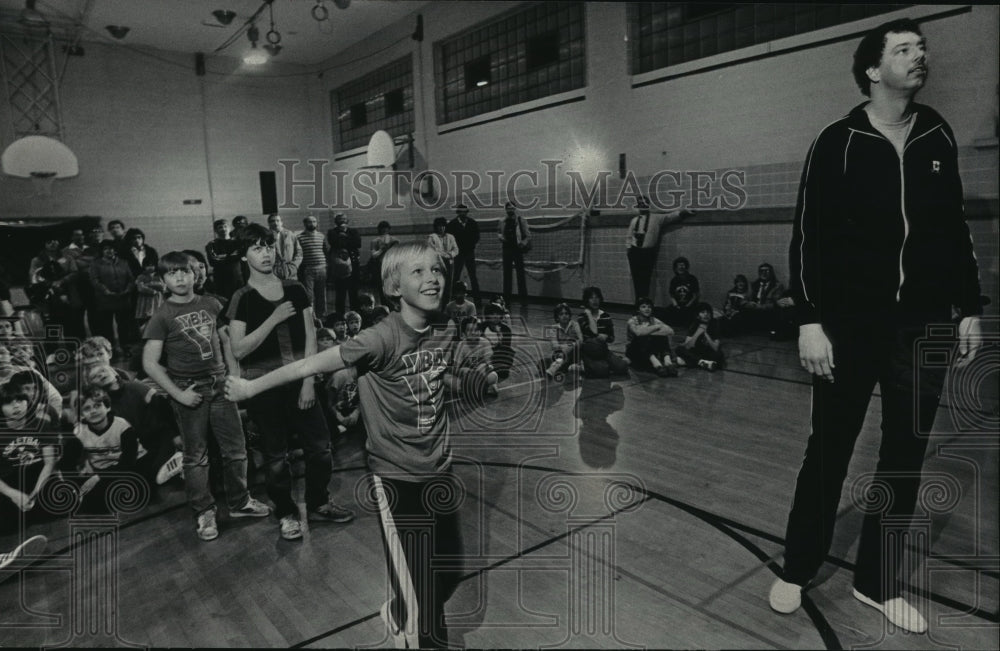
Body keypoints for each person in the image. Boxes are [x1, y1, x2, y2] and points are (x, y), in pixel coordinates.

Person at [768, 18, 983, 635]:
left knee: (903, 457)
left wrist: (969, 305)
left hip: (921, 327)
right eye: (904, 49)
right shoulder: (836, 141)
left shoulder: (937, 134)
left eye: (922, 48)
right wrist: (809, 319)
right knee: (828, 452)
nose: (920, 57)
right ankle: (799, 565)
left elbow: (954, 227)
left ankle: (876, 583)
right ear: (871, 68)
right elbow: (806, 237)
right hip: (848, 326)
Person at [225, 242, 464, 647]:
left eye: (436, 270)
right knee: (426, 600)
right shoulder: (379, 338)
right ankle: (416, 627)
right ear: (393, 287)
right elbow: (308, 364)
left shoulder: (445, 329)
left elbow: (432, 382)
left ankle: (403, 609)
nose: (432, 278)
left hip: (441, 470)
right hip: (397, 478)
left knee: (452, 569)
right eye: (418, 272)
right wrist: (250, 385)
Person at [226, 224, 354, 540]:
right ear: (244, 256)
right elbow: (239, 349)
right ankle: (286, 512)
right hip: (264, 389)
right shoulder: (242, 298)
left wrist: (309, 382)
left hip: (302, 382)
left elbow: (311, 336)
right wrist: (273, 319)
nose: (266, 253)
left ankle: (319, 504)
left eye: (268, 246)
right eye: (257, 248)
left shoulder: (296, 288)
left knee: (321, 449)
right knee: (275, 457)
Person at [142, 251, 271, 541]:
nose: (179, 277)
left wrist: (233, 375)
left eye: (184, 271)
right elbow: (149, 363)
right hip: (190, 390)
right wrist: (177, 394)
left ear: (195, 274)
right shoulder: (162, 315)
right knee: (196, 456)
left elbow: (228, 340)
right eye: (172, 273)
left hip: (220, 384)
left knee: (236, 448)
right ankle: (204, 511)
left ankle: (239, 502)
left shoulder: (212, 303)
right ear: (163, 280)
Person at [0, 381, 60, 534]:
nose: (16, 406)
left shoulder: (41, 424)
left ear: (27, 402)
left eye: (20, 400)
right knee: (7, 526)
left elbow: (49, 463)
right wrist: (14, 494)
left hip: (39, 474)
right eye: (9, 403)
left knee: (60, 506)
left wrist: (36, 491)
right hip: (10, 480)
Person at [625, 197, 692, 301]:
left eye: (644, 203)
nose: (642, 206)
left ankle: (645, 302)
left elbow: (670, 217)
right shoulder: (634, 220)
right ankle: (638, 303)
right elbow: (629, 236)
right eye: (640, 204)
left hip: (648, 253)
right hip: (635, 252)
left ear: (648, 205)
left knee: (646, 278)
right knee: (636, 279)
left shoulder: (656, 218)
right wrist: (629, 250)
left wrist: (684, 212)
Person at [88, 240, 135, 357]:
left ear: (115, 250)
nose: (109, 251)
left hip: (123, 298)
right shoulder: (96, 264)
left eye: (111, 248)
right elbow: (94, 280)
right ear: (102, 251)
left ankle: (126, 347)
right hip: (105, 300)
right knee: (106, 326)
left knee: (124, 325)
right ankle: (110, 350)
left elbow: (131, 279)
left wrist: (127, 290)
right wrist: (106, 291)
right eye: (106, 249)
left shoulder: (124, 262)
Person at [578, 286, 629, 378]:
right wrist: (589, 314)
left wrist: (606, 337)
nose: (595, 300)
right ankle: (590, 364)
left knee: (623, 367)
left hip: (603, 350)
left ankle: (609, 362)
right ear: (586, 300)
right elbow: (593, 331)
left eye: (597, 297)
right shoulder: (582, 317)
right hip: (590, 352)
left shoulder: (606, 316)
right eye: (591, 298)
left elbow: (612, 338)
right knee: (602, 372)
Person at [626, 297, 678, 377]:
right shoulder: (632, 320)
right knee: (642, 337)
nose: (647, 309)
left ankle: (668, 362)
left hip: (649, 349)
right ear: (638, 309)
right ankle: (657, 365)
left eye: (649, 307)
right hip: (634, 351)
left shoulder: (654, 320)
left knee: (662, 336)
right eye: (643, 307)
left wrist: (649, 330)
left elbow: (670, 331)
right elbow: (638, 333)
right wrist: (655, 327)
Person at [497, 201, 530, 306]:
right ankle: (506, 299)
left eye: (512, 208)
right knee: (507, 275)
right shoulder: (502, 221)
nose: (510, 210)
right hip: (506, 249)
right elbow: (498, 232)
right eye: (508, 208)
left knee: (520, 274)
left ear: (515, 209)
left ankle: (523, 299)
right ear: (506, 209)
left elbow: (528, 235)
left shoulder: (521, 220)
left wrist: (523, 244)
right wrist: (501, 238)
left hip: (517, 249)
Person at [327, 213, 362, 312]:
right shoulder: (331, 232)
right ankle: (340, 316)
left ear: (348, 221)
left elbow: (358, 243)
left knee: (353, 292)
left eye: (344, 219)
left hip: (354, 265)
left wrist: (343, 236)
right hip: (339, 267)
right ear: (336, 222)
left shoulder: (353, 231)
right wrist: (346, 240)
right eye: (339, 219)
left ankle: (355, 315)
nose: (342, 221)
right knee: (340, 293)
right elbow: (335, 243)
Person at [447, 204, 481, 304]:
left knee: (473, 276)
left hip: (469, 252)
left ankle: (477, 300)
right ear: (458, 213)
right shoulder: (452, 224)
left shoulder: (472, 223)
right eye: (461, 211)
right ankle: (452, 299)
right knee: (456, 276)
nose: (463, 213)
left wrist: (471, 246)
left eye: (464, 211)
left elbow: (476, 236)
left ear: (467, 212)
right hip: (459, 253)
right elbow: (450, 239)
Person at [297, 215, 330, 319]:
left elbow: (325, 251)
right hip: (308, 270)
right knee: (309, 296)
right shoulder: (299, 237)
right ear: (305, 224)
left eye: (314, 221)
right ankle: (311, 318)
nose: (312, 224)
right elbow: (298, 254)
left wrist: (326, 266)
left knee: (321, 295)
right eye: (309, 222)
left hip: (322, 269)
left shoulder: (321, 236)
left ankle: (322, 317)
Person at [675, 302, 724, 371]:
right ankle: (702, 362)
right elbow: (688, 346)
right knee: (679, 349)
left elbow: (715, 347)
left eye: (708, 312)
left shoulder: (714, 324)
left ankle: (692, 362)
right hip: (696, 351)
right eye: (703, 312)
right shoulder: (694, 324)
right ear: (698, 315)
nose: (706, 314)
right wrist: (698, 332)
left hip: (709, 352)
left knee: (719, 355)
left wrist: (706, 334)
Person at [206, 219, 245, 301]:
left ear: (230, 228)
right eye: (220, 227)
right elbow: (213, 261)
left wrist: (224, 257)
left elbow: (241, 255)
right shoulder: (212, 245)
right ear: (215, 230)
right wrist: (233, 256)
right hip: (221, 280)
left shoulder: (238, 242)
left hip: (237, 279)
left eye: (225, 226)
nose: (223, 229)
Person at [545, 303, 582, 379]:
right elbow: (555, 346)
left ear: (569, 315)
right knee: (549, 359)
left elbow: (581, 340)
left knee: (574, 345)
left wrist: (569, 346)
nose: (564, 316)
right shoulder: (553, 328)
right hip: (560, 354)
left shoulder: (575, 325)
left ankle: (552, 370)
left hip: (575, 353)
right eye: (561, 314)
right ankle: (570, 367)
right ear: (557, 317)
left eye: (566, 313)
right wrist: (566, 347)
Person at [427, 216, 459, 304]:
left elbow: (456, 249)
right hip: (437, 263)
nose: (441, 228)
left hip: (450, 263)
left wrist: (450, 255)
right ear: (436, 227)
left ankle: (447, 303)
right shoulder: (432, 237)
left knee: (449, 284)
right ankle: (436, 303)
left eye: (443, 226)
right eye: (439, 226)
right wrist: (443, 255)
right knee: (438, 283)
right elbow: (431, 250)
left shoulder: (450, 237)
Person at [662, 256, 700, 327]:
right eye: (678, 265)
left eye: (682, 265)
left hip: (690, 305)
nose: (681, 267)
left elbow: (695, 296)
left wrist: (687, 306)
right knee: (666, 314)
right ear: (675, 268)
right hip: (678, 305)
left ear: (686, 267)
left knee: (689, 318)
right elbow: (672, 295)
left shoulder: (692, 279)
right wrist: (676, 305)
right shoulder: (674, 280)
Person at [368, 220, 399, 299]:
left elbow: (398, 254)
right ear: (379, 229)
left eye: (386, 228)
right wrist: (381, 249)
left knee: (393, 287)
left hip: (391, 266)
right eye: (382, 228)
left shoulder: (394, 240)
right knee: (381, 289)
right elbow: (373, 255)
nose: (384, 230)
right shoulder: (375, 241)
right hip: (380, 266)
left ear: (389, 229)